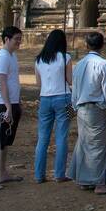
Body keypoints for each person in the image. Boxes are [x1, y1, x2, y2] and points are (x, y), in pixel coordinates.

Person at [67, 31, 106, 194]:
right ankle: (100, 184)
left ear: (86, 46)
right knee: (98, 146)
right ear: (102, 45)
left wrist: (75, 106)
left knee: (84, 143)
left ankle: (85, 179)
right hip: (96, 108)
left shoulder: (79, 65)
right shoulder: (104, 64)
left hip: (81, 108)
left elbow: (74, 90)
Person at [0, 26, 23, 191]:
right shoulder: (2, 57)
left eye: (20, 39)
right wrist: (8, 106)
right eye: (16, 39)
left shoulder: (12, 56)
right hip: (2, 104)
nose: (19, 42)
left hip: (11, 103)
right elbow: (1, 82)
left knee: (5, 141)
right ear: (6, 39)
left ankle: (2, 173)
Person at [33, 29, 73, 183]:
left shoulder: (39, 60)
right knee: (62, 136)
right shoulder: (65, 57)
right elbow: (70, 80)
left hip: (44, 99)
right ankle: (59, 173)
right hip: (63, 98)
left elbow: (38, 83)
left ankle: (38, 174)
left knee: (42, 138)